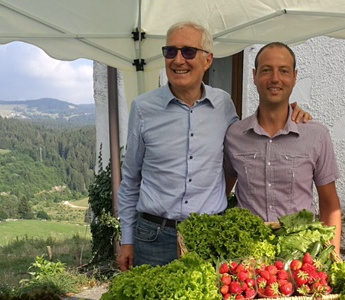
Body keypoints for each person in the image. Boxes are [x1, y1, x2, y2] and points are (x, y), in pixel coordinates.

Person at [117, 22, 310, 269]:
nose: (178, 60)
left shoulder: (224, 105)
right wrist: (127, 239)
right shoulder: (143, 109)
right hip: (154, 236)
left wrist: (292, 112)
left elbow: (251, 136)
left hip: (208, 237)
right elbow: (131, 179)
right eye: (170, 52)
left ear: (207, 60)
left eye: (188, 52)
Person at [224, 42, 342, 253]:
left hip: (300, 255)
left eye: (284, 71)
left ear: (295, 77)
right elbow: (220, 193)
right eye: (266, 70)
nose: (275, 79)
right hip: (247, 256)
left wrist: (331, 257)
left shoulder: (316, 135)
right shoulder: (234, 135)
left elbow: (330, 204)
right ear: (254, 75)